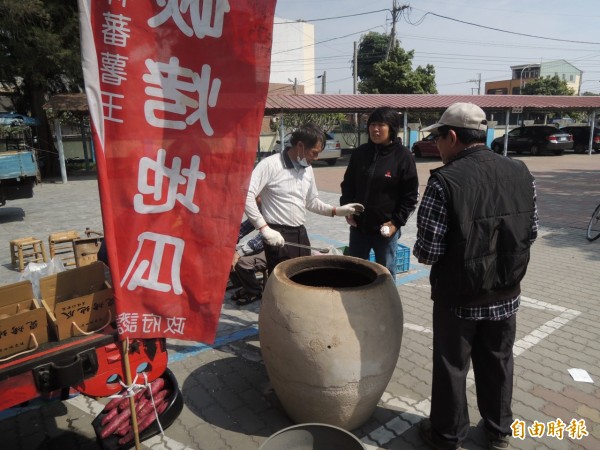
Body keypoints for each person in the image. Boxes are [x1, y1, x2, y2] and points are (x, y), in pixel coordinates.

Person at [412, 102, 538, 450]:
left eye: (438, 139)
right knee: (498, 361)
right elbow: (532, 230)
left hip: (459, 298)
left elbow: (428, 251)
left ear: (452, 136)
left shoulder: (443, 182)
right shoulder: (521, 172)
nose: (437, 147)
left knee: (453, 367)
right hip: (506, 293)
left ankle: (447, 436)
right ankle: (498, 432)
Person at [245, 123, 364, 273]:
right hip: (278, 234)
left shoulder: (306, 169)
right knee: (284, 283)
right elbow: (247, 194)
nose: (316, 157)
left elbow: (311, 201)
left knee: (304, 277)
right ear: (300, 146)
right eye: (314, 152)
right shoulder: (270, 165)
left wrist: (336, 211)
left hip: (300, 233)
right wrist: (264, 228)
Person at [340, 107, 419, 277]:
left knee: (386, 273)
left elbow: (411, 196)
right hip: (359, 227)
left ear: (391, 128)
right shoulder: (360, 153)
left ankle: (387, 303)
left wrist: (395, 223)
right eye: (372, 124)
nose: (375, 129)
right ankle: (356, 302)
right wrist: (347, 210)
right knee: (354, 270)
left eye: (380, 125)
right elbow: (348, 185)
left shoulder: (403, 156)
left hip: (386, 231)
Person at [229, 218, 266, 306]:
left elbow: (259, 241)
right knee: (228, 252)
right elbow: (244, 228)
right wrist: (228, 239)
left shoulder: (273, 210)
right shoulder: (261, 209)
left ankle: (255, 291)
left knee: (241, 262)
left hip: (276, 248)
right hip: (262, 244)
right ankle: (242, 284)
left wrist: (238, 254)